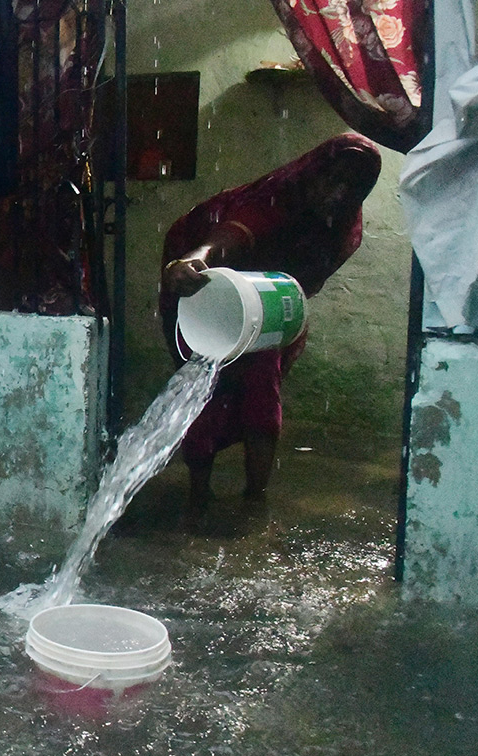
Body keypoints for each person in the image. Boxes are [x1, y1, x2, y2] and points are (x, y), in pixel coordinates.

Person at [158, 133, 382, 520]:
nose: (337, 192)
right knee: (203, 381)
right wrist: (197, 258)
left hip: (264, 299)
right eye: (332, 178)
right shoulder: (278, 197)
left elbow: (301, 284)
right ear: (314, 172)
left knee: (263, 386)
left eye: (351, 187)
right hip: (205, 285)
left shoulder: (342, 229)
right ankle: (198, 494)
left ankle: (255, 498)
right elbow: (234, 232)